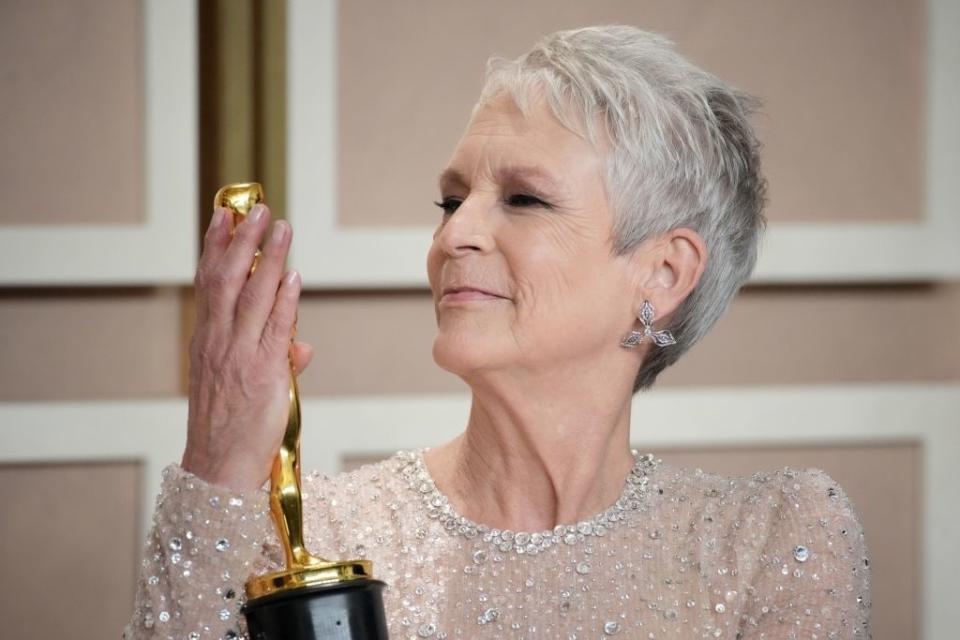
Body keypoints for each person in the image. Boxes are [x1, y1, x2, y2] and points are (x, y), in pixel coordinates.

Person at [124, 25, 871, 639]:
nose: (456, 237)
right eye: (452, 201)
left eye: (523, 199)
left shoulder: (774, 541)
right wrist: (217, 467)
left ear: (664, 273)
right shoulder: (313, 540)